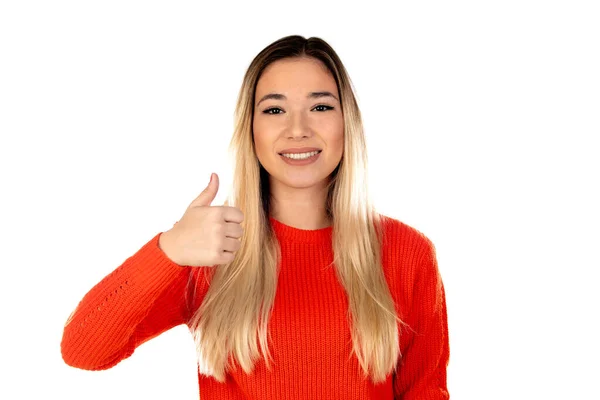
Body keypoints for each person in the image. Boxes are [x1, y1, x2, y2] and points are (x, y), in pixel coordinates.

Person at [61, 35, 450, 399]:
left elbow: (426, 391)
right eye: (275, 109)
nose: (298, 130)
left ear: (347, 123)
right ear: (250, 129)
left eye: (320, 107)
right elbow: (83, 350)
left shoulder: (406, 252)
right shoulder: (211, 248)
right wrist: (167, 251)